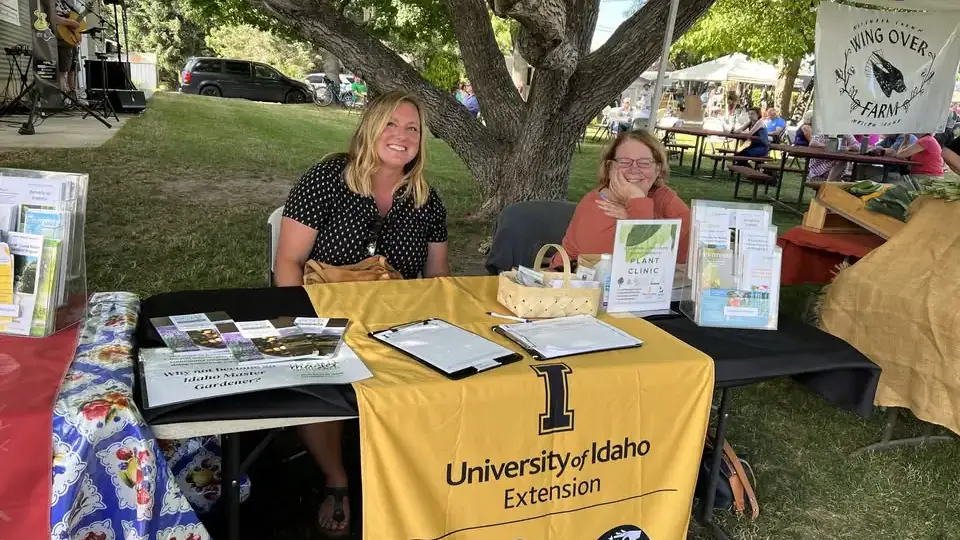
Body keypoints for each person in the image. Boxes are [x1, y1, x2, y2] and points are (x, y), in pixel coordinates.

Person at [275, 90, 450, 537]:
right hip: (319, 310)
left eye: (412, 128)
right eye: (391, 124)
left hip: (395, 320)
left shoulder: (427, 200)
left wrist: (436, 331)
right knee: (312, 371)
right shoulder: (328, 177)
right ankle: (337, 477)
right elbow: (288, 262)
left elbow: (437, 278)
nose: (402, 135)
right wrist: (304, 328)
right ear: (370, 128)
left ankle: (412, 477)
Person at [554, 130, 691, 268]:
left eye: (644, 163)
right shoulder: (596, 205)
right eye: (625, 162)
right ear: (609, 168)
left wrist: (633, 215)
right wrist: (637, 201)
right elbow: (634, 266)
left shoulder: (665, 199)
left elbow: (692, 253)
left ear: (658, 169)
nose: (634, 169)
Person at [53, 0, 82, 101]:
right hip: (60, 41)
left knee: (73, 70)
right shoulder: (51, 2)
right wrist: (70, 22)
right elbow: (53, 18)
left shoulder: (67, 4)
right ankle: (61, 98)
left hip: (71, 40)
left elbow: (76, 21)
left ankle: (73, 97)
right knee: (63, 71)